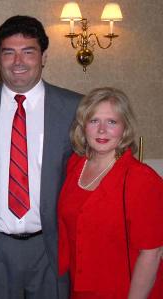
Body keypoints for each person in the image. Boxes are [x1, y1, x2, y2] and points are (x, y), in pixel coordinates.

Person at [0, 15, 82, 299]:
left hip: (51, 248)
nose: (18, 62)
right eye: (9, 52)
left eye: (28, 52)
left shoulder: (74, 107)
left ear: (44, 57)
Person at [58, 87, 163, 299]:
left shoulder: (141, 179)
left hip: (125, 290)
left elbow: (151, 253)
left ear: (124, 128)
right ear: (83, 126)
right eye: (94, 121)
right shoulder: (74, 165)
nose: (102, 130)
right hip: (79, 289)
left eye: (112, 122)